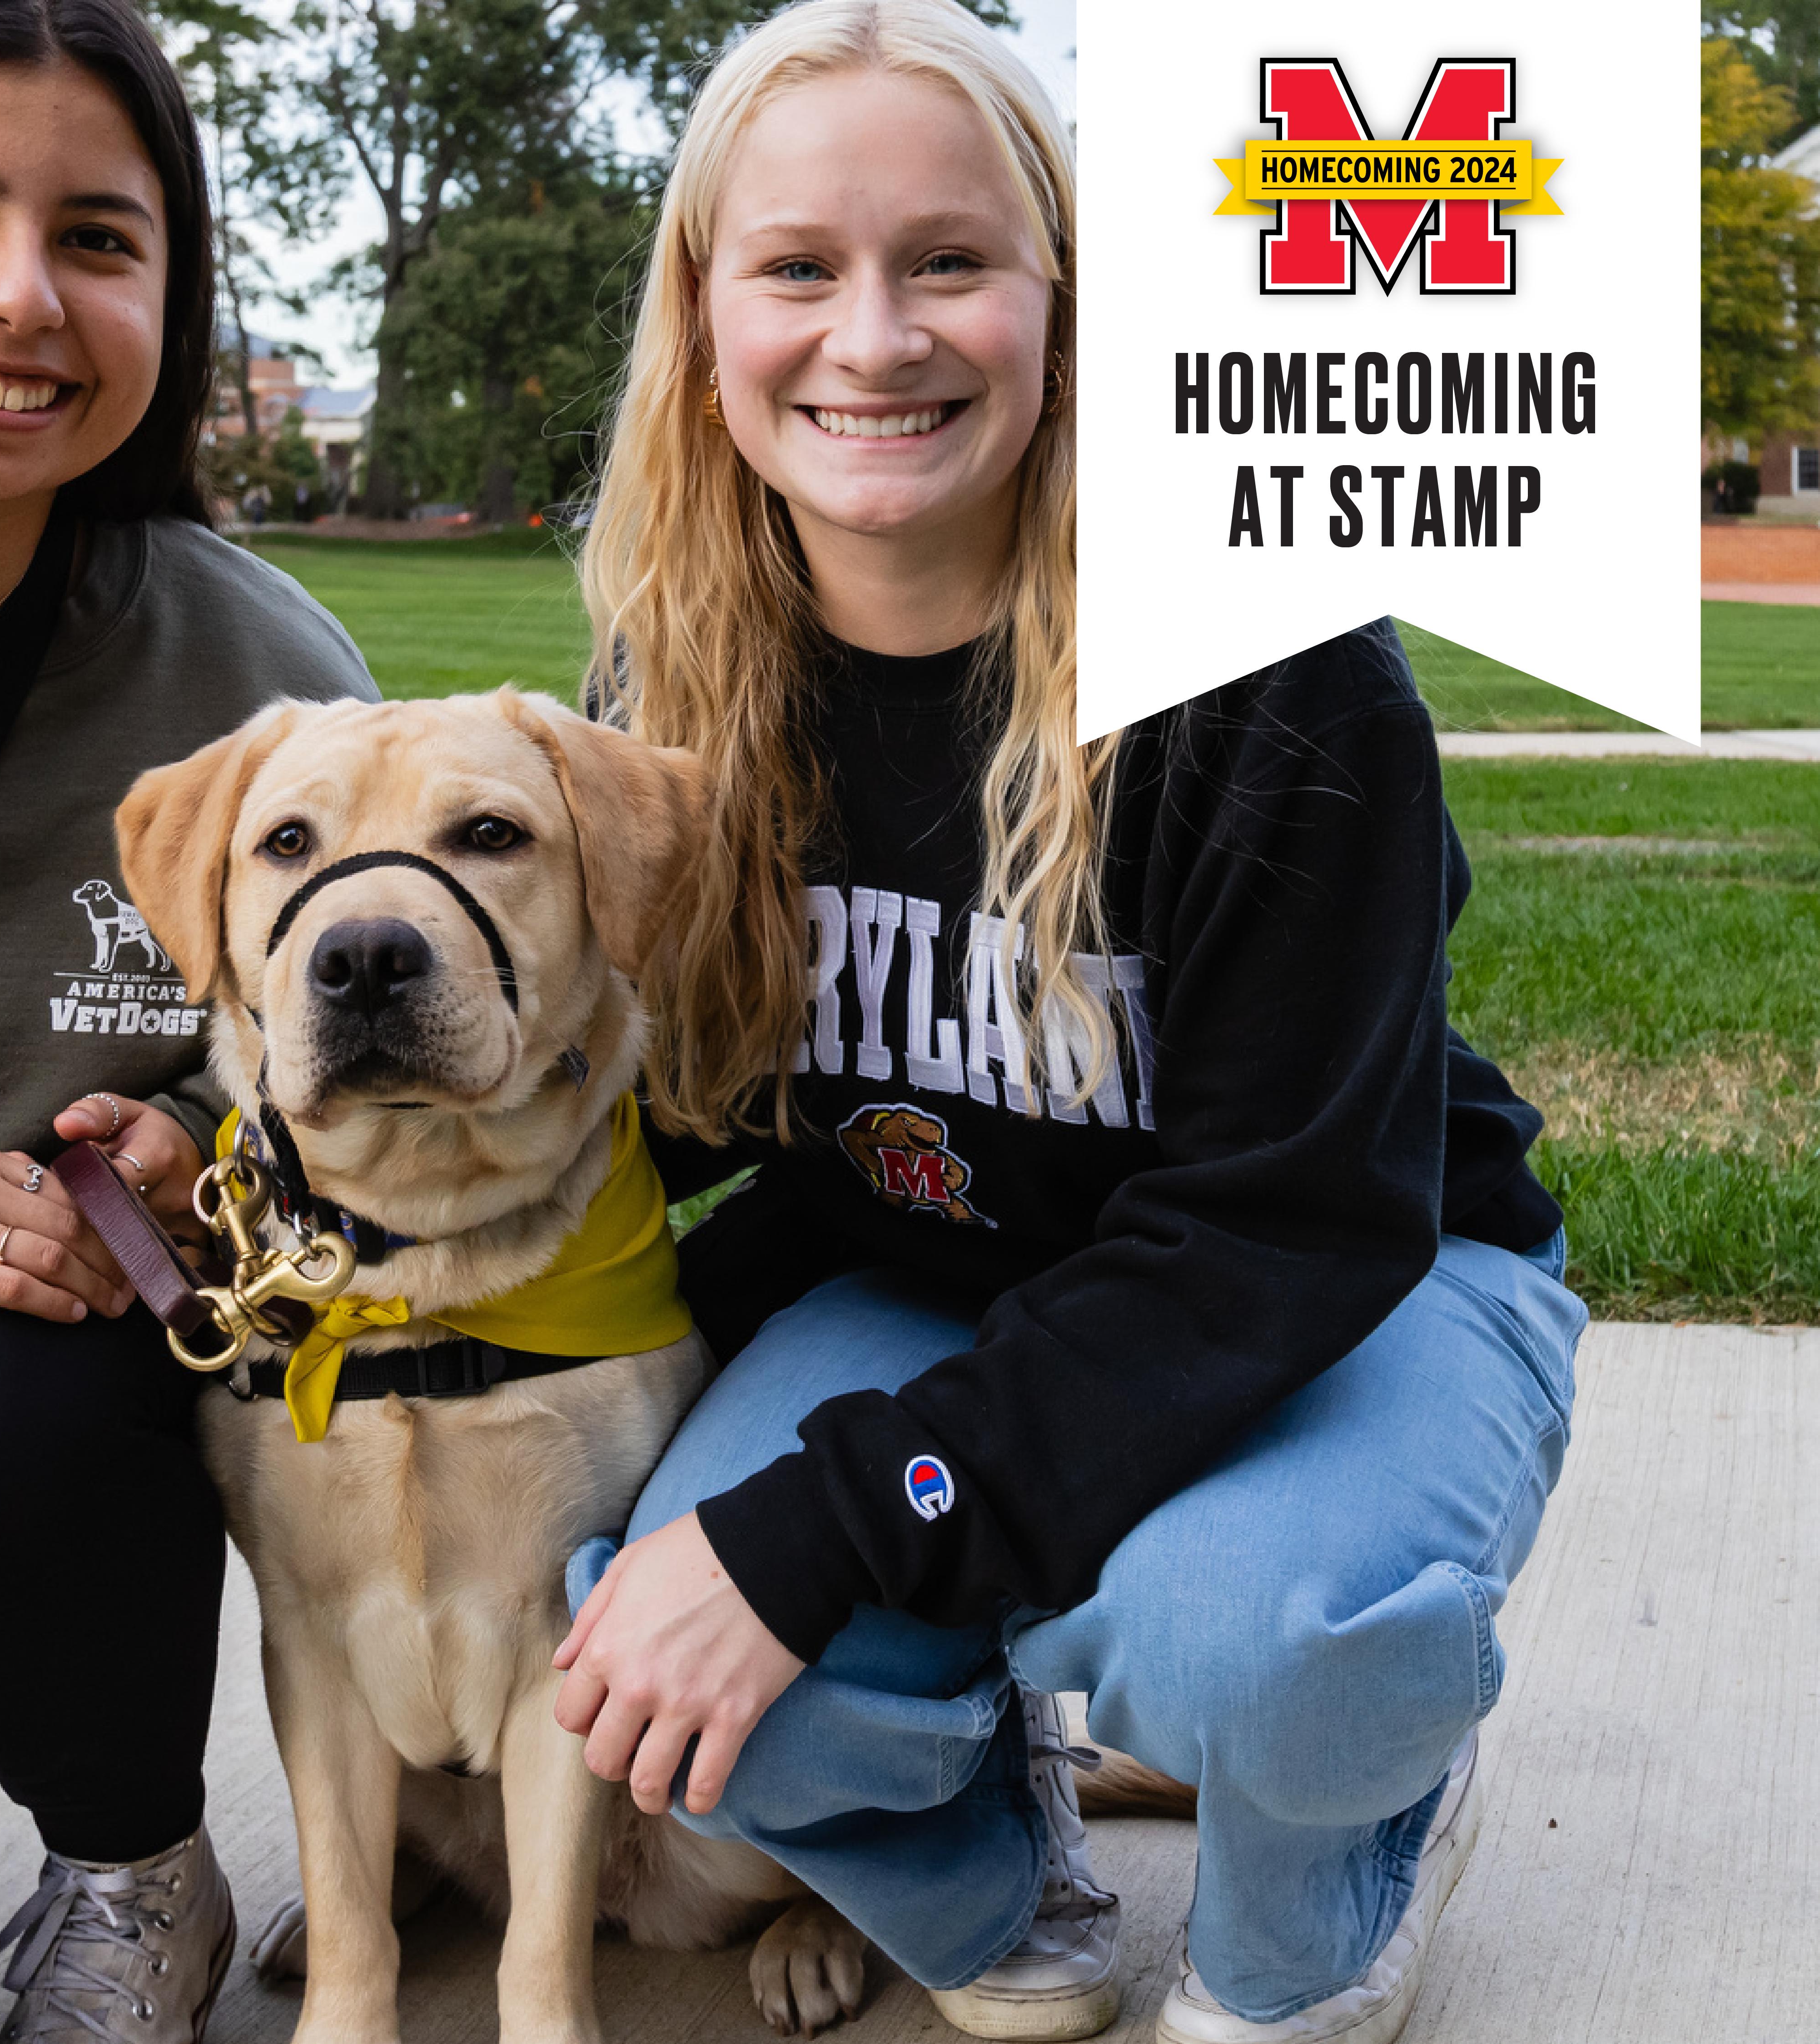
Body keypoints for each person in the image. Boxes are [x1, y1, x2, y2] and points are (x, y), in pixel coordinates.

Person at [552, 4, 1588, 2041]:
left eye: (949, 260)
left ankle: (1343, 1859)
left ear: (1064, 294)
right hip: (955, 1274)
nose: (877, 337)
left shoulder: (1282, 682)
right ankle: (998, 1834)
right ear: (704, 313)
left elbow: (1282, 1232)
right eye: (798, 267)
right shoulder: (665, 685)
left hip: (1357, 1280)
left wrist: (845, 1516)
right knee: (646, 1657)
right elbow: (673, 1130)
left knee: (1259, 1643)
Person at [0, 3, 377, 2038]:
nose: (21, 298)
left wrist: (220, 1185)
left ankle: (134, 1860)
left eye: (102, 239)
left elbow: (374, 1140)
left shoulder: (261, 675)